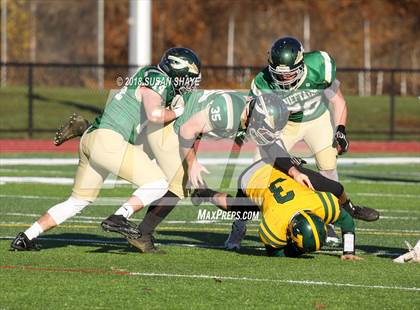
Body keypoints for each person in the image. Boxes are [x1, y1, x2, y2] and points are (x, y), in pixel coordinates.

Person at [10, 47, 201, 251]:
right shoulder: (158, 79)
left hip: (92, 138)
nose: (190, 83)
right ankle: (120, 216)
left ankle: (26, 236)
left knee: (77, 201)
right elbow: (155, 114)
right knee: (159, 183)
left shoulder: (150, 76)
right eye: (189, 77)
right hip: (107, 140)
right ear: (176, 70)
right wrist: (178, 111)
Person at [226, 36, 350, 248]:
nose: (284, 80)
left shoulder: (320, 65)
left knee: (328, 167)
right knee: (256, 171)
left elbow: (338, 101)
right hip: (284, 126)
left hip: (316, 119)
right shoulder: (263, 82)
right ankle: (239, 226)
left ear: (301, 65)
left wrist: (340, 130)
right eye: (279, 75)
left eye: (290, 74)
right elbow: (250, 114)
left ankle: (327, 222)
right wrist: (243, 129)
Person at [192, 159, 377, 260]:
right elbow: (274, 252)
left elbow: (346, 220)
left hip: (282, 168)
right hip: (251, 177)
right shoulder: (275, 222)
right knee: (237, 209)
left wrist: (348, 252)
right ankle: (205, 192)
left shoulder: (318, 203)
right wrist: (298, 251)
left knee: (336, 188)